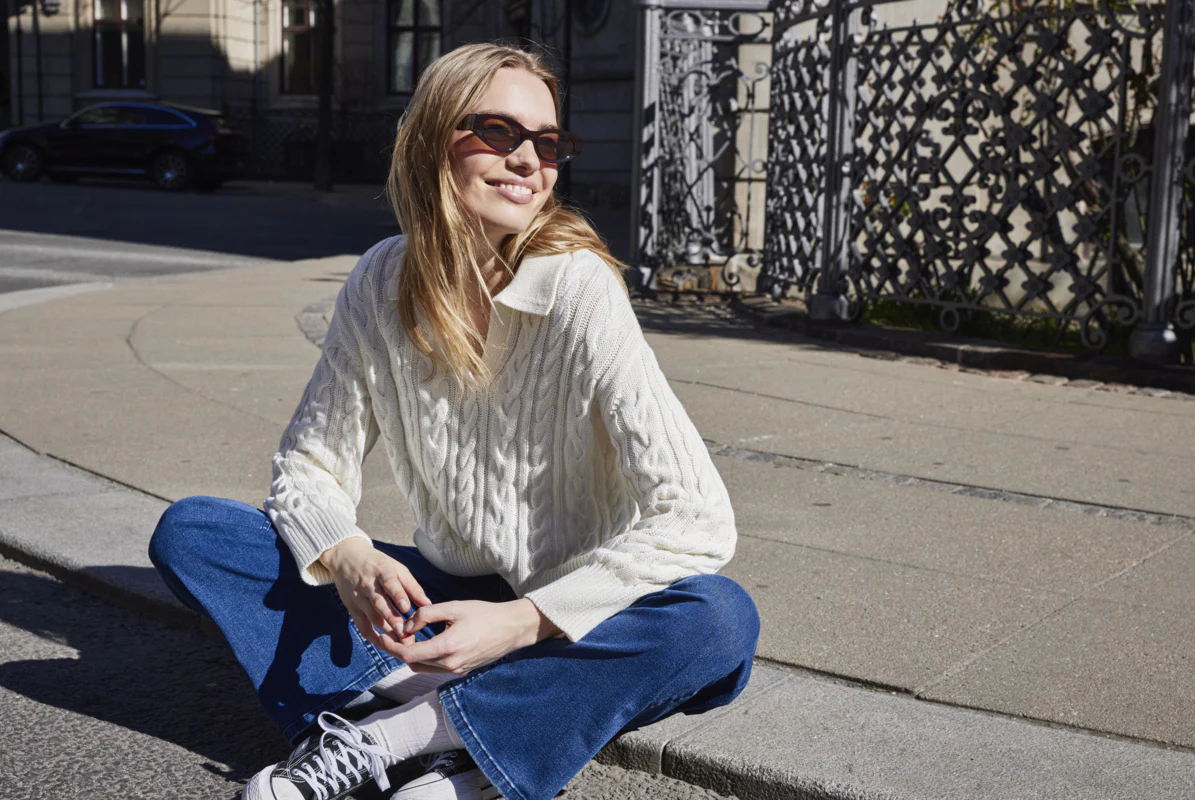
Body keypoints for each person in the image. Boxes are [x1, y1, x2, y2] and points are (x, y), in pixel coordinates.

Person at [148, 42, 759, 800]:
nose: (527, 160)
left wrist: (520, 624)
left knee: (719, 623)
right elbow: (309, 466)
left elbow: (697, 518)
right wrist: (349, 558)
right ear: (433, 139)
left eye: (547, 143)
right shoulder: (380, 279)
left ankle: (392, 732)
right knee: (196, 533)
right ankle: (496, 728)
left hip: (571, 607)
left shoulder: (577, 288)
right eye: (499, 132)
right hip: (443, 595)